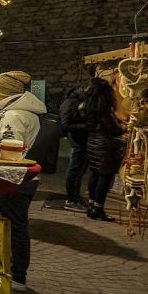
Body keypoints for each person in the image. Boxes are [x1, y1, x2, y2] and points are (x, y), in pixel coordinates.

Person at [0, 70, 46, 292]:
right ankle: (17, 272)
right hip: (25, 177)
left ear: (3, 92)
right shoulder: (26, 112)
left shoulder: (13, 115)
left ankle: (18, 275)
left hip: (16, 178)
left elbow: (10, 151)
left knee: (16, 225)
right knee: (18, 224)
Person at [84, 77, 126, 222]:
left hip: (93, 143)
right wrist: (123, 127)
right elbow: (114, 130)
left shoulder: (90, 106)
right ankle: (98, 209)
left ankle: (91, 206)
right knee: (105, 177)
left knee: (95, 174)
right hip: (104, 146)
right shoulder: (103, 110)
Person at [60, 83, 91, 211]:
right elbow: (65, 124)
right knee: (74, 170)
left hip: (81, 140)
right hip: (77, 141)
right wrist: (87, 126)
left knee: (78, 171)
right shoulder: (70, 103)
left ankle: (75, 197)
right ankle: (71, 199)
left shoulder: (76, 102)